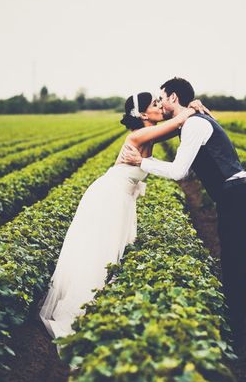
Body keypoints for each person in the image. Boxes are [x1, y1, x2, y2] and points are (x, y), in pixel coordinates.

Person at [39, 91, 209, 339]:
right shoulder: (139, 135)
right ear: (142, 114)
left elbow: (177, 128)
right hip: (110, 196)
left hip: (121, 198)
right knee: (103, 251)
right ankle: (80, 312)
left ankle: (97, 306)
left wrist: (189, 113)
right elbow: (176, 123)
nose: (160, 106)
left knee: (111, 250)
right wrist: (192, 108)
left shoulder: (149, 133)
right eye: (154, 104)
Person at [120, 77, 246, 349]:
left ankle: (238, 330)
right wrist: (192, 108)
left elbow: (179, 172)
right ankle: (236, 322)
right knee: (231, 257)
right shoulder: (193, 120)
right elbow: (171, 129)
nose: (159, 102)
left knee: (233, 259)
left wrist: (142, 161)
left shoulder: (194, 123)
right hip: (232, 194)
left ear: (173, 97)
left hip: (235, 194)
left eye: (161, 97)